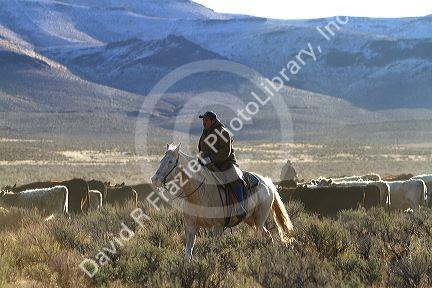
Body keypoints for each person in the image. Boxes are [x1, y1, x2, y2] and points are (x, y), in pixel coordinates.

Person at [197, 111, 247, 220]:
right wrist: (200, 160)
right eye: (203, 120)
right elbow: (202, 150)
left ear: (213, 120)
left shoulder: (223, 132)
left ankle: (240, 207)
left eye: (206, 120)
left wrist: (210, 159)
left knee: (235, 179)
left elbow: (225, 152)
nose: (204, 122)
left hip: (226, 164)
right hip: (210, 165)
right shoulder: (204, 134)